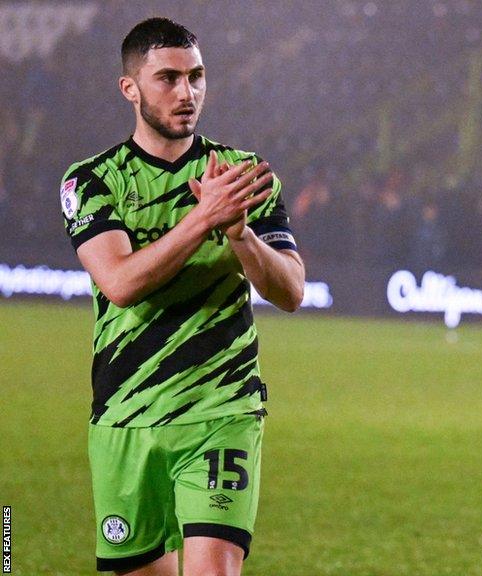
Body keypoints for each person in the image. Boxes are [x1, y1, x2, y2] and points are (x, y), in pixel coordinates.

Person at [59, 17, 305, 575]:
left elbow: (290, 291)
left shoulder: (244, 175)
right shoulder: (93, 180)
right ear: (130, 88)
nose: (186, 92)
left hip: (222, 408)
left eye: (196, 77)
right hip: (126, 414)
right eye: (167, 78)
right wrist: (205, 219)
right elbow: (119, 283)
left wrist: (241, 234)